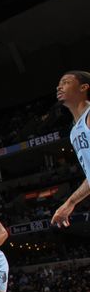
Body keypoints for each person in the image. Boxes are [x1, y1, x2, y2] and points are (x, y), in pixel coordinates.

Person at [52, 70, 90, 227]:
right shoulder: (74, 131)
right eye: (59, 84)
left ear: (84, 87)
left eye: (66, 82)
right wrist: (70, 203)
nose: (59, 87)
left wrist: (70, 202)